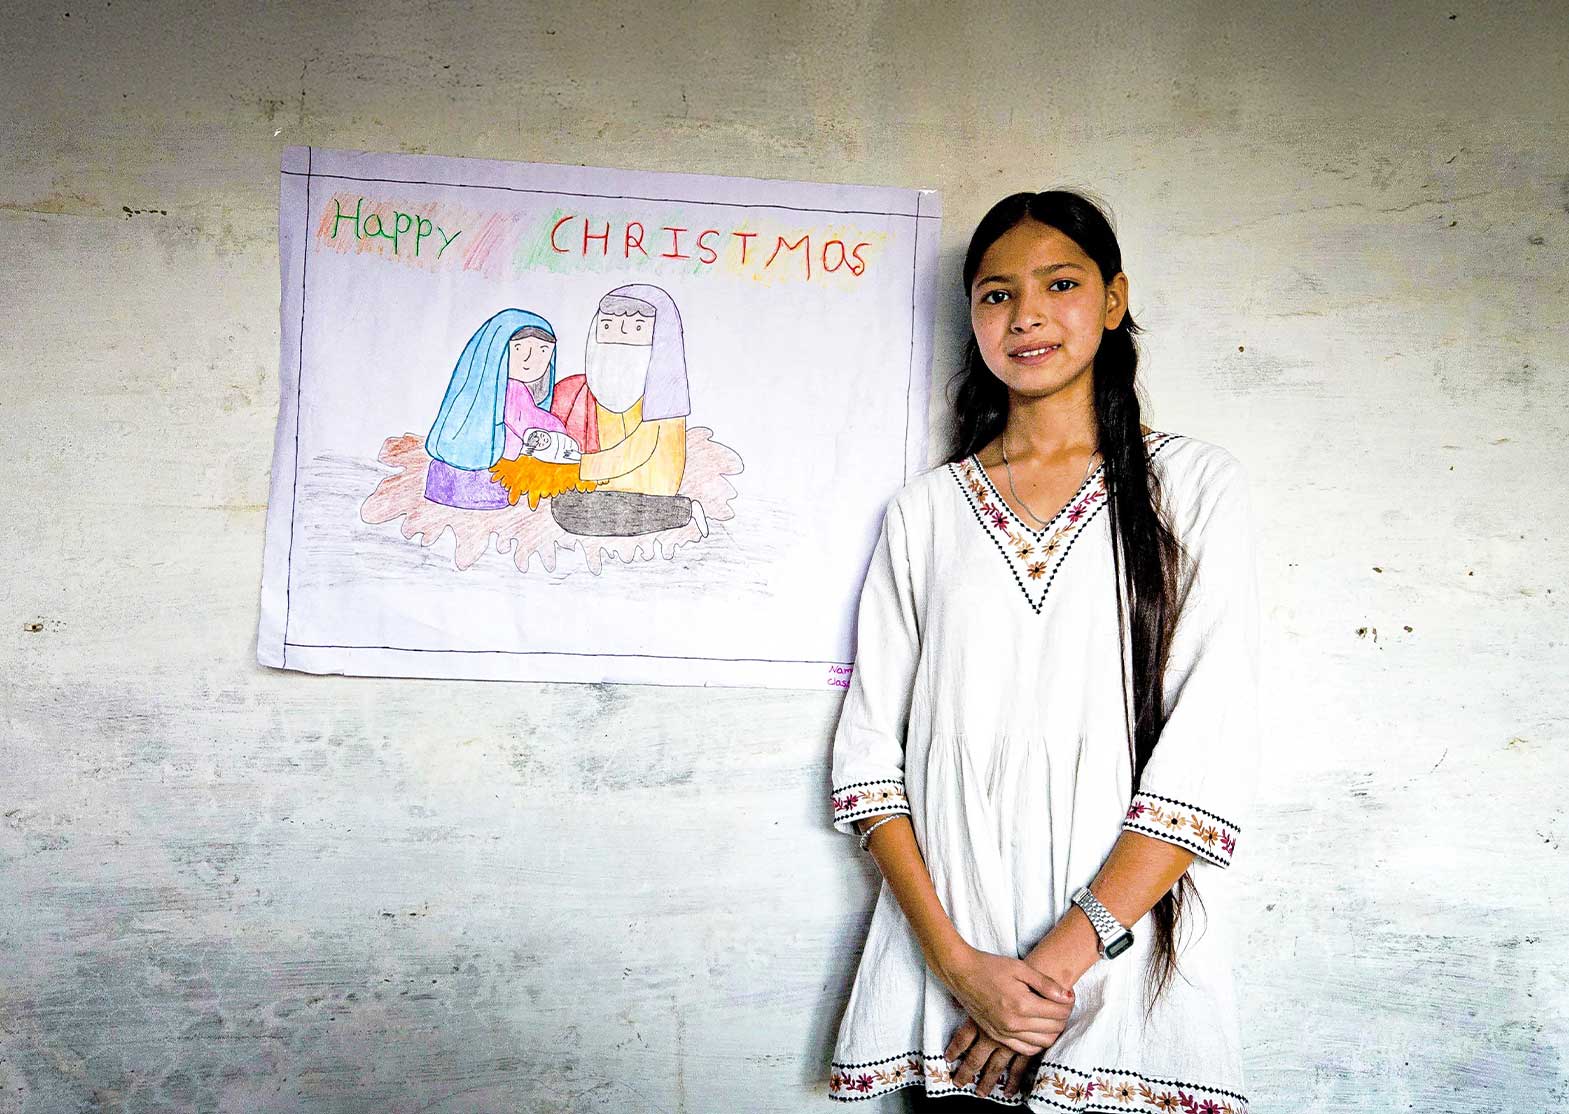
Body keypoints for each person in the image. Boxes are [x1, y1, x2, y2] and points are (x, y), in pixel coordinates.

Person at [826, 190, 1262, 1113]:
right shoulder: (925, 514)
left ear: (1112, 300)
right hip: (948, 983)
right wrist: (965, 971)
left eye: (1058, 283)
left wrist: (1043, 980)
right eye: (994, 294)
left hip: (1124, 975)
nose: (1024, 314)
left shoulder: (1194, 486)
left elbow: (1207, 750)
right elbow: (868, 760)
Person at [424, 308, 575, 510]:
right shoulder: (491, 391)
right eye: (520, 347)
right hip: (470, 486)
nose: (532, 358)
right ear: (497, 348)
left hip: (479, 489)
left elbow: (536, 420)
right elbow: (516, 427)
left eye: (543, 350)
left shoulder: (516, 389)